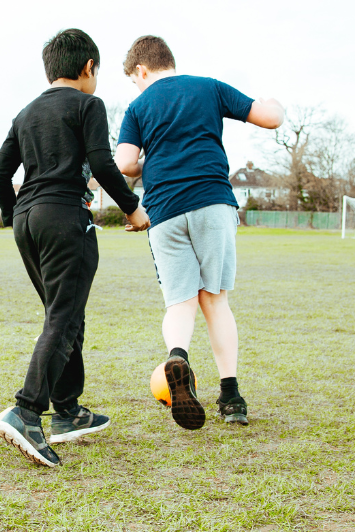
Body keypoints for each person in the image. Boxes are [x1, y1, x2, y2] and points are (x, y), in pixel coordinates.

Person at [0, 29, 151, 467]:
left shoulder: (25, 114)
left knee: (64, 314)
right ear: (88, 68)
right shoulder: (88, 104)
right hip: (65, 216)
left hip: (28, 220)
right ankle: (26, 410)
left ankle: (67, 411)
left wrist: (15, 216)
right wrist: (133, 209)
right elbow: (102, 162)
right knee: (63, 315)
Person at [113, 35, 284, 430]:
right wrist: (277, 105)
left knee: (180, 302)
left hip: (165, 210)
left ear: (141, 70)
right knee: (215, 301)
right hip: (211, 201)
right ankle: (231, 395)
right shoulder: (209, 87)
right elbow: (269, 117)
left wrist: (149, 156)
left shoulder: (138, 106)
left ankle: (178, 356)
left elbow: (123, 162)